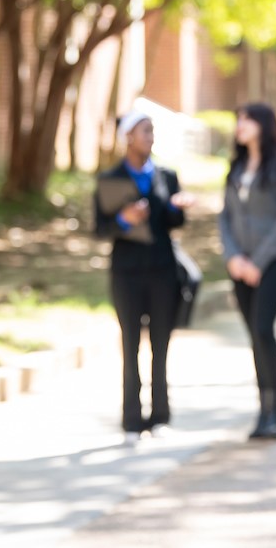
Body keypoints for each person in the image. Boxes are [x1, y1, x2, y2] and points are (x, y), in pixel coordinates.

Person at [94, 110, 195, 444]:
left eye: (152, 131)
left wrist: (178, 209)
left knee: (161, 344)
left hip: (163, 271)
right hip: (127, 274)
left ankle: (161, 415)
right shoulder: (110, 178)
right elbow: (100, 229)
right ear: (129, 137)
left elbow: (175, 224)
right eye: (145, 131)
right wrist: (124, 219)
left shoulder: (166, 176)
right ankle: (131, 419)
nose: (150, 137)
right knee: (130, 343)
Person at [219, 103, 276, 440]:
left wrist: (258, 262)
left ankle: (275, 412)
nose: (240, 125)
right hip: (241, 265)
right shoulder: (237, 167)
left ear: (264, 125)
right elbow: (224, 216)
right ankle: (262, 411)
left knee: (264, 329)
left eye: (247, 119)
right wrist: (233, 256)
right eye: (238, 119)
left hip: (274, 262)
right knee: (254, 335)